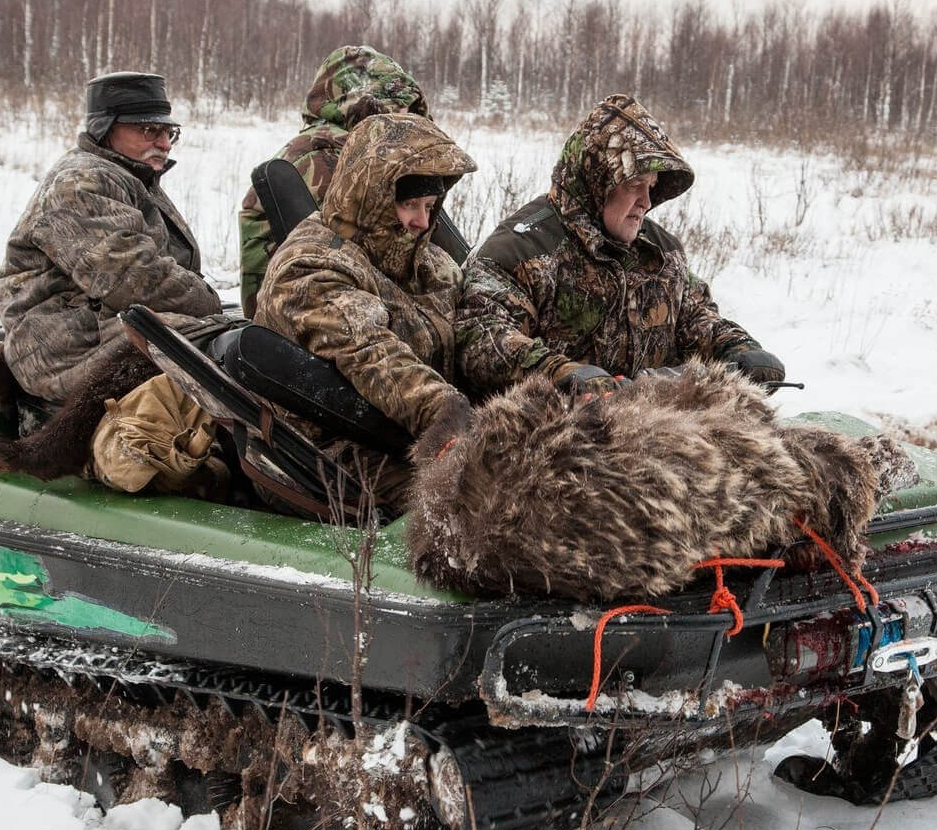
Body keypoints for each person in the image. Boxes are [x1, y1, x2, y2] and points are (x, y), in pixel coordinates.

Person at [454, 94, 784, 399]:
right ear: (599, 181)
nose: (646, 201)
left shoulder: (660, 252)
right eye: (634, 185)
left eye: (651, 187)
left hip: (658, 433)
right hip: (555, 440)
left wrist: (740, 349)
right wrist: (559, 373)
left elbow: (696, 317)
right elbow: (482, 336)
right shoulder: (520, 250)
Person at [252, 113, 475, 514]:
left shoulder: (427, 263)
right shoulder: (311, 266)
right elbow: (370, 353)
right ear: (372, 195)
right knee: (470, 510)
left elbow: (474, 331)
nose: (422, 222)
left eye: (429, 205)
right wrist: (444, 410)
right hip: (326, 451)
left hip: (408, 437)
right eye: (408, 204)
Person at [0, 71, 222, 406]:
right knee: (227, 350)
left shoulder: (129, 178)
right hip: (62, 348)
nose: (163, 143)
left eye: (169, 132)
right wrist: (209, 304)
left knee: (239, 342)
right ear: (105, 128)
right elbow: (135, 277)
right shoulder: (81, 182)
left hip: (97, 328)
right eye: (149, 130)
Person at [236, 45, 430, 318]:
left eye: (410, 112)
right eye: (395, 110)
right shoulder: (324, 160)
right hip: (304, 319)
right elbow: (367, 258)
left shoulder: (357, 154)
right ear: (359, 104)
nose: (406, 122)